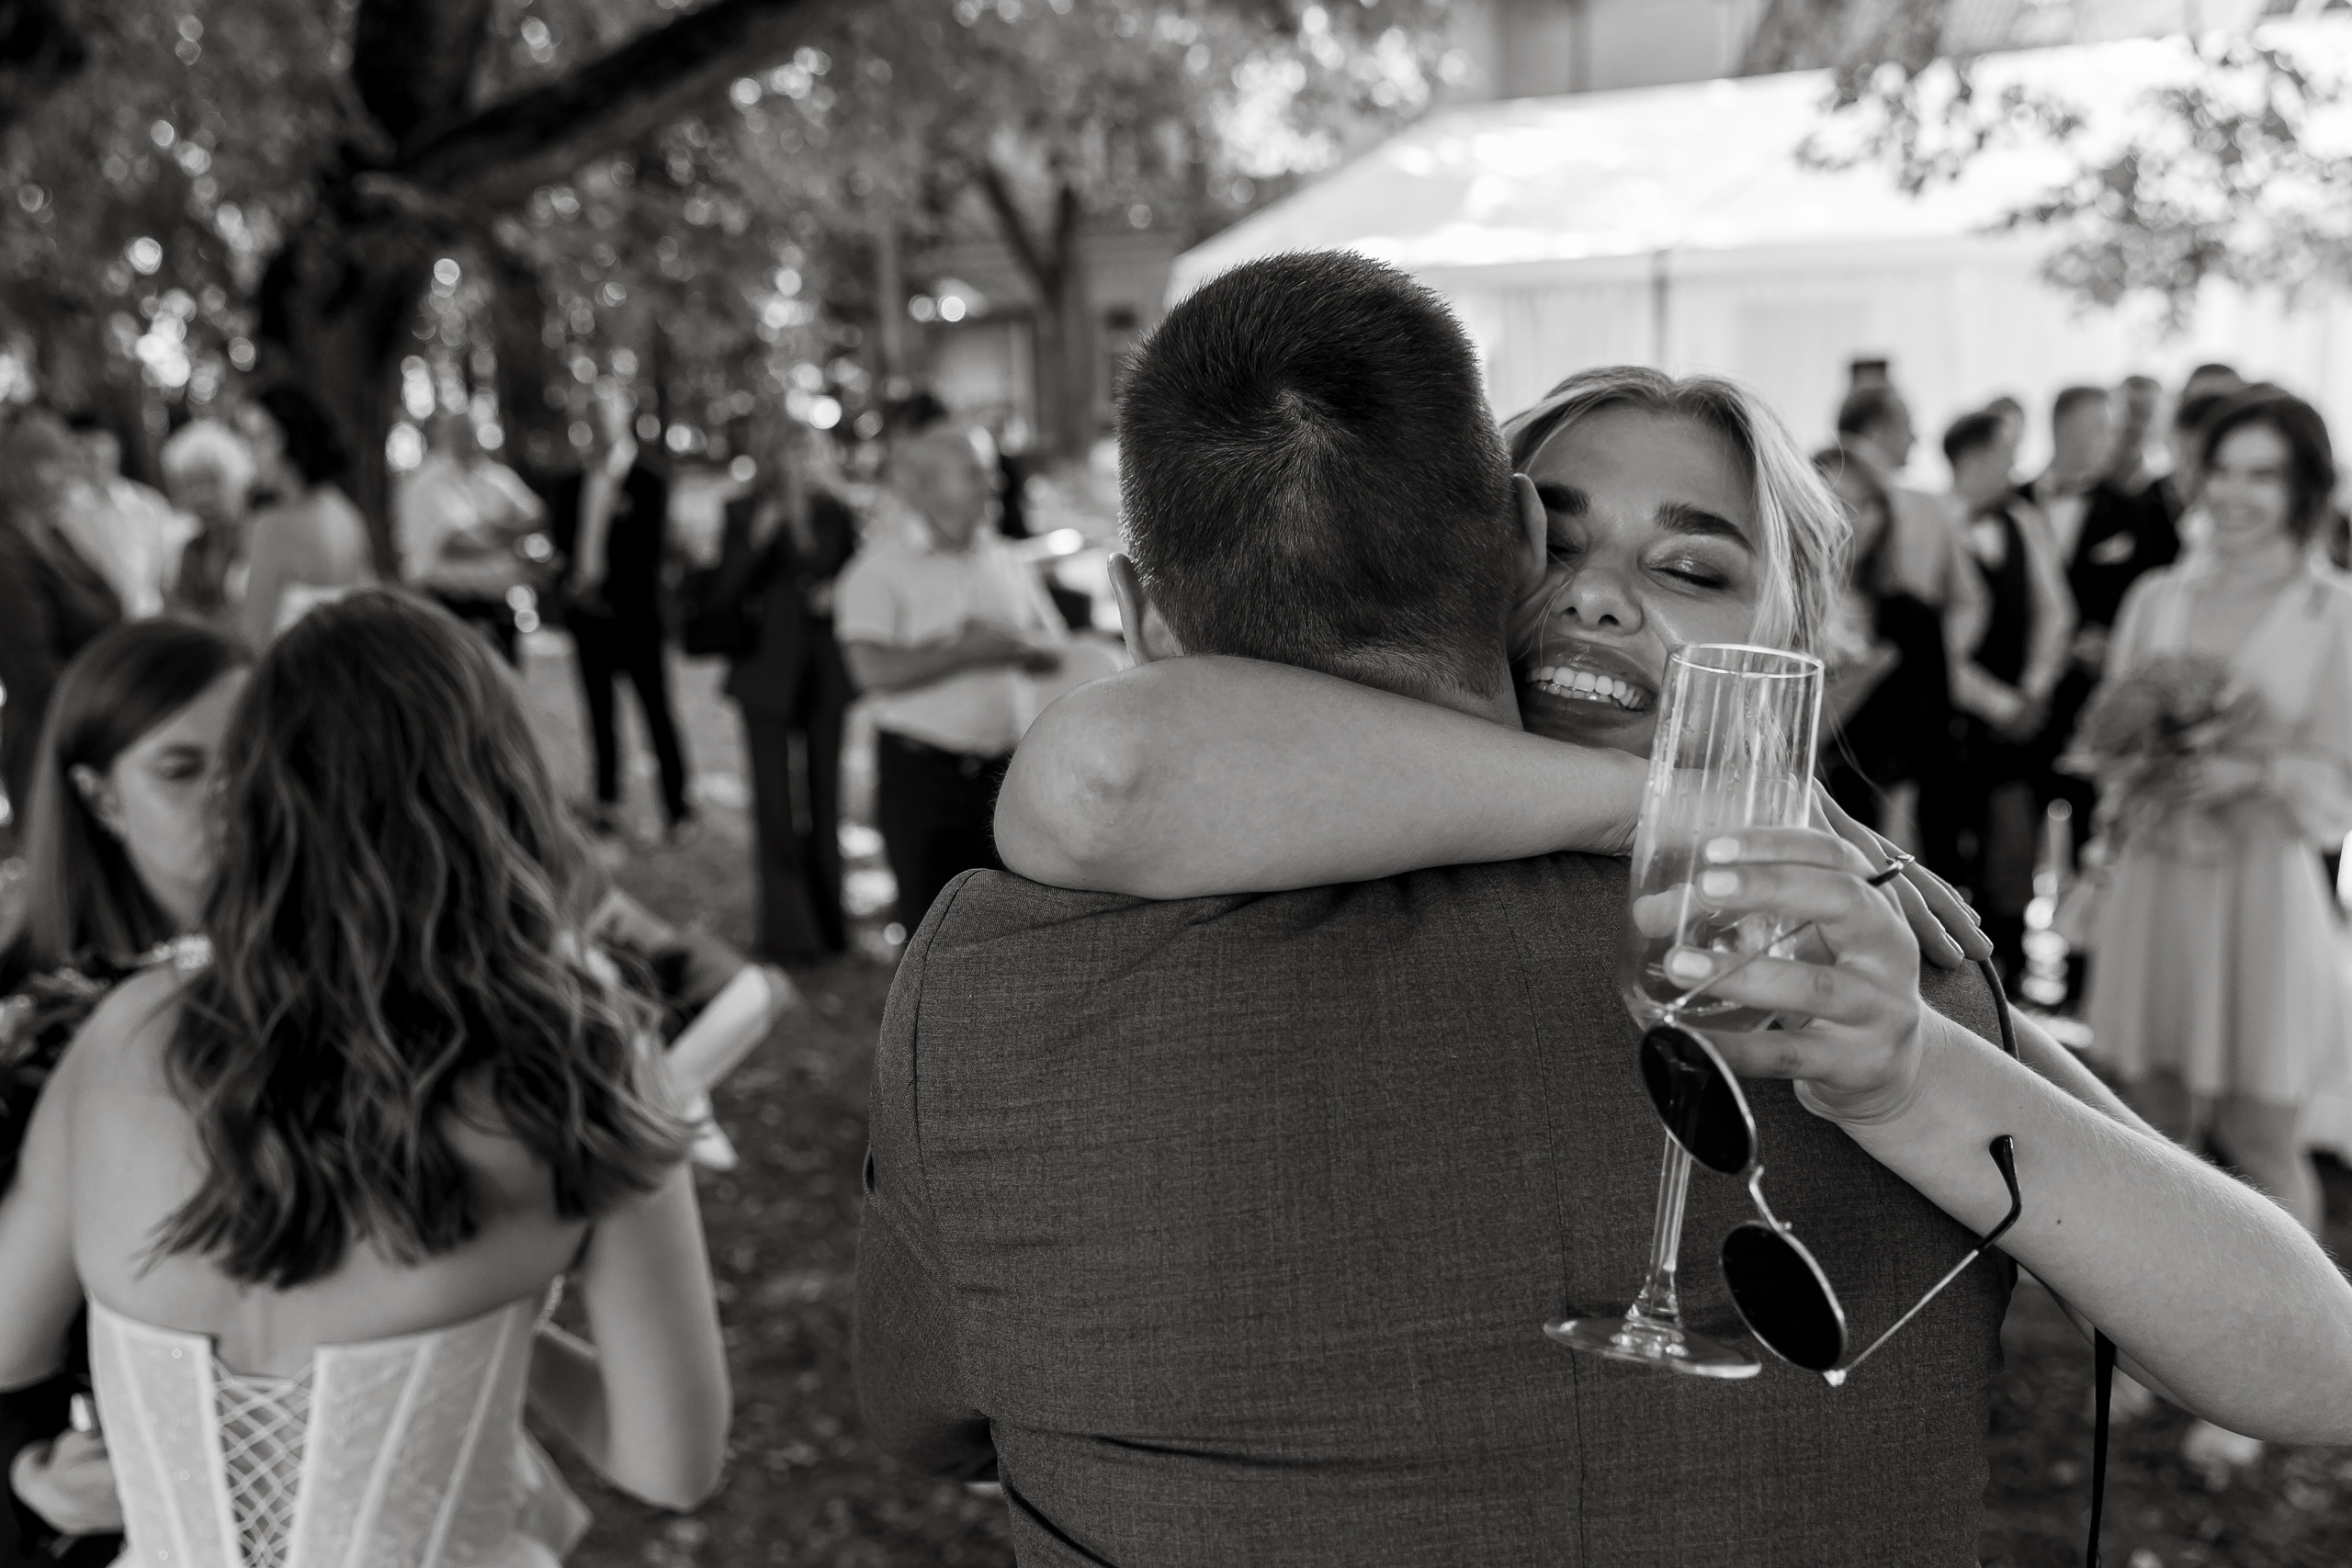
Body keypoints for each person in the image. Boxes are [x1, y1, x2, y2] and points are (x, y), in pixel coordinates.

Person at [859, 253, 2352, 1564]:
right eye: (1559, 541)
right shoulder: (1232, 860)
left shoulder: (1873, 951)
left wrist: (1916, 1081)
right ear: (1490, 551)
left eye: (1692, 562)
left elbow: (2313, 1363)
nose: (1602, 593)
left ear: (1795, 640)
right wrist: (1673, 800)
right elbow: (1111, 767)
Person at [0, 592, 730, 1568]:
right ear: (497, 790)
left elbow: (9, 1342)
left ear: (255, 792)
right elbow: (669, 1463)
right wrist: (489, 1324)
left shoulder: (121, 1034)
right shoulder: (573, 1065)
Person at [0, 619, 249, 1568]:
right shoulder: (26, 1020)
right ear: (100, 795)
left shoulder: (346, 987)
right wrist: (24, 1476)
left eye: (254, 761)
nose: (233, 799)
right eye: (182, 770)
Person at [2083, 385, 2352, 1235]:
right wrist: (2138, 766)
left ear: (2305, 489)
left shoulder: (2336, 612)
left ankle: (2310, 1356)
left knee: (2262, 1134)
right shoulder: (2156, 600)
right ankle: (2138, 1360)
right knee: (2148, 1130)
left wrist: (2252, 771)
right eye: (2224, 470)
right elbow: (2107, 745)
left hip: (2264, 893)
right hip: (2160, 879)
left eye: (2263, 475)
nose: (2235, 494)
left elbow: (2340, 782)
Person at [834, 420, 1066, 936]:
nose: (994, 486)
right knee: (931, 940)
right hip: (922, 782)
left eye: (991, 473)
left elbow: (1054, 648)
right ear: (924, 485)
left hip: (1006, 781)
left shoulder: (1006, 559)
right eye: (975, 474)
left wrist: (1008, 646)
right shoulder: (877, 571)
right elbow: (869, 671)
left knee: (1012, 936)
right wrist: (962, 652)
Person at [2032, 386, 2183, 987]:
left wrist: (2110, 645)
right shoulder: (2012, 505)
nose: (2113, 439)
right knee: (2015, 836)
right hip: (2025, 708)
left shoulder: (2135, 514)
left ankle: (2086, 966)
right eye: (2099, 426)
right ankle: (2002, 968)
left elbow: (2150, 598)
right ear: (2064, 427)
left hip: (2101, 706)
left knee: (2097, 830)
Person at [1941, 410, 2075, 987]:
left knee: (2014, 845)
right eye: (2005, 455)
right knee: (1945, 843)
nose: (2014, 467)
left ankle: (2010, 976)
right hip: (1947, 720)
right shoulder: (1932, 521)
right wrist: (1995, 703)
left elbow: (2054, 611)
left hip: (2018, 721)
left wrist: (2033, 691)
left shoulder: (2024, 520)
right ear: (1971, 458)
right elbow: (1935, 643)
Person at [718, 420, 857, 959]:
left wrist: (835, 593)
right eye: (790, 451)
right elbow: (723, 590)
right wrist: (757, 540)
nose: (801, 462)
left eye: (810, 451)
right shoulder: (741, 510)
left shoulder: (837, 511)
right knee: (774, 803)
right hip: (764, 672)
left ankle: (830, 927)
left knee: (825, 797)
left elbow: (855, 576)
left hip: (825, 671)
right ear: (770, 456)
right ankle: (787, 931)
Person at [551, 396, 692, 839]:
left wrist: (602, 591)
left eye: (603, 415)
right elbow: (561, 542)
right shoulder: (575, 481)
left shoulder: (649, 479)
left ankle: (679, 807)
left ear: (622, 418)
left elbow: (648, 551)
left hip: (635, 616)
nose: (596, 425)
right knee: (598, 713)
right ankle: (607, 802)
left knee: (656, 712)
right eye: (589, 417)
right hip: (586, 618)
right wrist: (570, 588)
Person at [1814, 447, 1952, 852]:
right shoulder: (1777, 610)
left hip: (1902, 822)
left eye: (1867, 504)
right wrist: (1861, 675)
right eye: (1836, 503)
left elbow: (1932, 741)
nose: (1853, 519)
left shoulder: (1912, 616)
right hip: (1814, 821)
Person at [0, 413, 123, 826]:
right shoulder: (8, 552)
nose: (69, 475)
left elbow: (113, 603)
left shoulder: (56, 537)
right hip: (50, 744)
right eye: (54, 463)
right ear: (21, 471)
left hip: (93, 726)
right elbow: (36, 674)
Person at [396, 413, 547, 663]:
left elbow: (537, 515)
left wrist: (488, 529)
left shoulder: (498, 478)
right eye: (462, 433)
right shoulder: (428, 482)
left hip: (499, 603)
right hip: (448, 603)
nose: (471, 441)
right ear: (446, 437)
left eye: (475, 433)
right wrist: (510, 535)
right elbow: (456, 545)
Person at [236, 385, 376, 649]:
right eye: (246, 440)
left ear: (293, 437)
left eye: (260, 438)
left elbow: (253, 636)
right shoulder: (346, 513)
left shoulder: (274, 526)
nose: (250, 453)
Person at [51, 418, 193, 622]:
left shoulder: (148, 504)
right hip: (87, 627)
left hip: (145, 623)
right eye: (83, 444)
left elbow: (168, 573)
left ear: (117, 447)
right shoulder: (61, 511)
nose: (93, 453)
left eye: (100, 443)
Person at [155, 420, 255, 626]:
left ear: (237, 480)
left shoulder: (262, 536)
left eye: (211, 482)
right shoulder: (192, 550)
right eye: (190, 486)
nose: (202, 497)